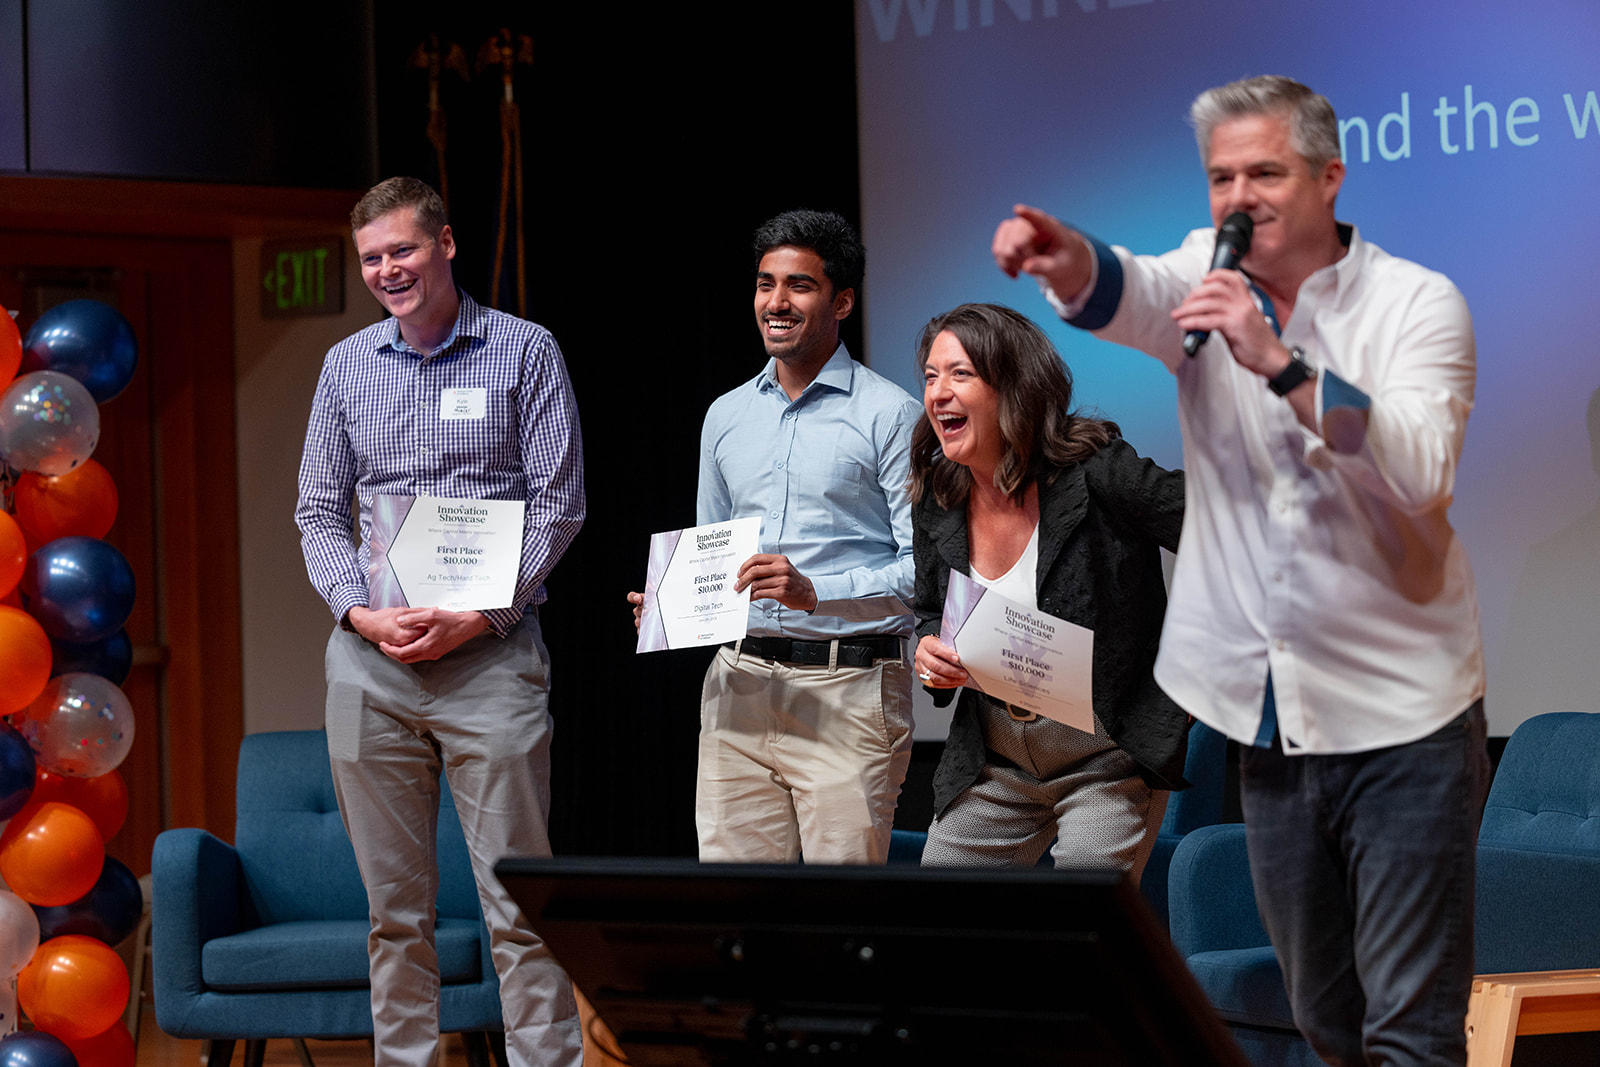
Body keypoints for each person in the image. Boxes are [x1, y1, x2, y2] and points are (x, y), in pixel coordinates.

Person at [992, 76, 1489, 1065]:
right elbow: (1127, 288)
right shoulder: (1201, 280)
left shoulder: (1415, 301)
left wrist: (1282, 365)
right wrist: (1070, 257)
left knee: (1409, 1029)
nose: (1238, 196)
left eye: (1264, 171)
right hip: (1273, 716)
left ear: (1328, 176)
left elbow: (1418, 468)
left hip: (1405, 719)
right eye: (1221, 176)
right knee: (1325, 1025)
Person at [295, 177, 585, 1067]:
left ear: (446, 244)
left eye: (403, 250)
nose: (388, 270)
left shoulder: (525, 351)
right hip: (370, 666)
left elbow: (560, 505)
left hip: (489, 659)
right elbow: (315, 511)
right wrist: (360, 613)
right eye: (372, 257)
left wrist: (479, 615)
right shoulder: (345, 365)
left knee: (519, 905)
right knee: (394, 913)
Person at [629, 209, 920, 864]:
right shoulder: (725, 416)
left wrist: (817, 591)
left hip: (848, 690)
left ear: (842, 300)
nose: (776, 303)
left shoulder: (892, 415)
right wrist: (673, 609)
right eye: (765, 284)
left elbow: (926, 575)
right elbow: (712, 556)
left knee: (834, 927)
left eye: (799, 286)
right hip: (738, 687)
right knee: (737, 917)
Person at [910, 303, 1188, 876]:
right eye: (931, 376)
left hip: (1105, 755)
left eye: (960, 374)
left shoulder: (1097, 470)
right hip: (997, 758)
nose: (938, 392)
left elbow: (1217, 533)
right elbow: (930, 611)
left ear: (1014, 385)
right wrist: (928, 649)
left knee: (1080, 926)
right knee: (936, 926)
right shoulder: (938, 501)